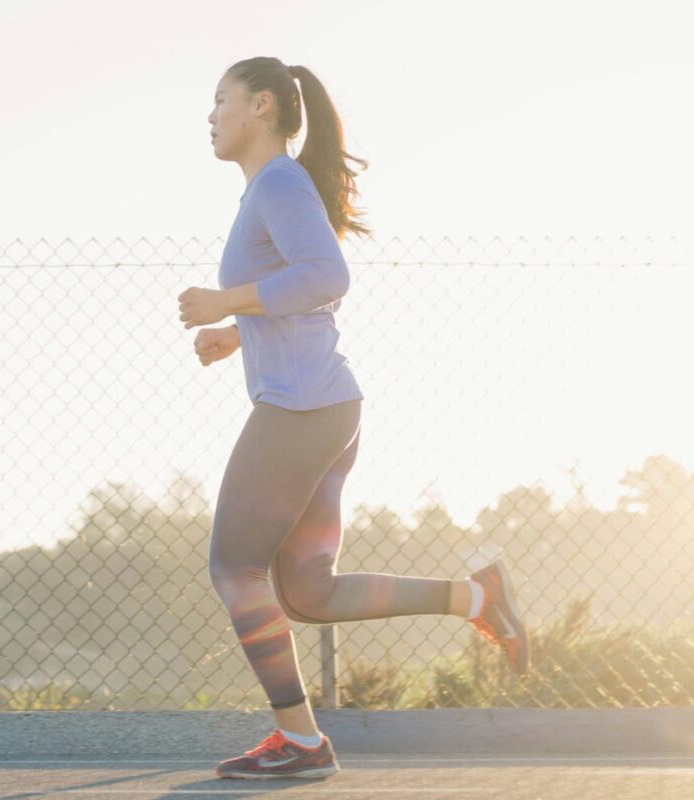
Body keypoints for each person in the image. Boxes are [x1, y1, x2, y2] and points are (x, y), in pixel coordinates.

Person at [177, 56, 531, 781]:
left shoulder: (276, 181)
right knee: (307, 591)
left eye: (221, 101)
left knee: (234, 567)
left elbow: (328, 276)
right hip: (327, 408)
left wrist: (227, 302)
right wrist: (237, 332)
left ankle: (302, 743)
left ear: (264, 107)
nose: (210, 116)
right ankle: (478, 597)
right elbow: (307, 293)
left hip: (303, 410)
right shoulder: (270, 189)